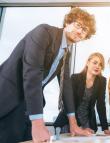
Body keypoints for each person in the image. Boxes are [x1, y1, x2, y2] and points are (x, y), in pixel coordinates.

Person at [0, 7, 96, 143]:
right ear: (68, 22)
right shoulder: (44, 32)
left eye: (85, 30)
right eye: (78, 25)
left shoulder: (65, 53)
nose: (80, 31)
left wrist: (73, 124)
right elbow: (33, 73)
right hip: (10, 97)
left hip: (30, 105)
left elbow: (66, 86)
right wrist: (38, 123)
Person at [54, 52, 110, 135]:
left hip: (87, 122)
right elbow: (69, 103)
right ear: (87, 63)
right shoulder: (75, 78)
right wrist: (76, 126)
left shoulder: (102, 81)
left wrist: (105, 128)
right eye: (95, 63)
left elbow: (101, 105)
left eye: (100, 64)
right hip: (69, 121)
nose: (97, 66)